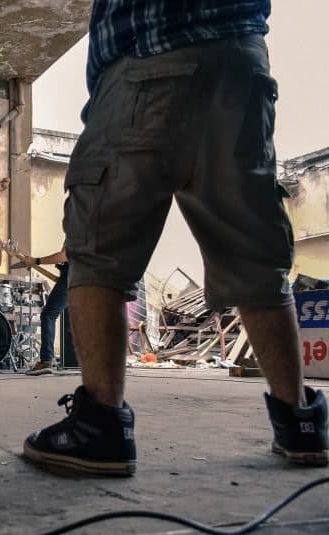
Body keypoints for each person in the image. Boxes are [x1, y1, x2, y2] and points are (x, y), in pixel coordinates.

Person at [24, 2, 328, 476]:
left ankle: (100, 426)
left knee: (100, 247)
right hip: (241, 60)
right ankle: (300, 421)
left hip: (146, 53)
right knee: (255, 251)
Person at [22, 248, 72, 376]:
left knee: (48, 315)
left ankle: (46, 360)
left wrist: (36, 260)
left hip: (71, 276)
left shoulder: (78, 230)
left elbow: (65, 255)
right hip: (83, 276)